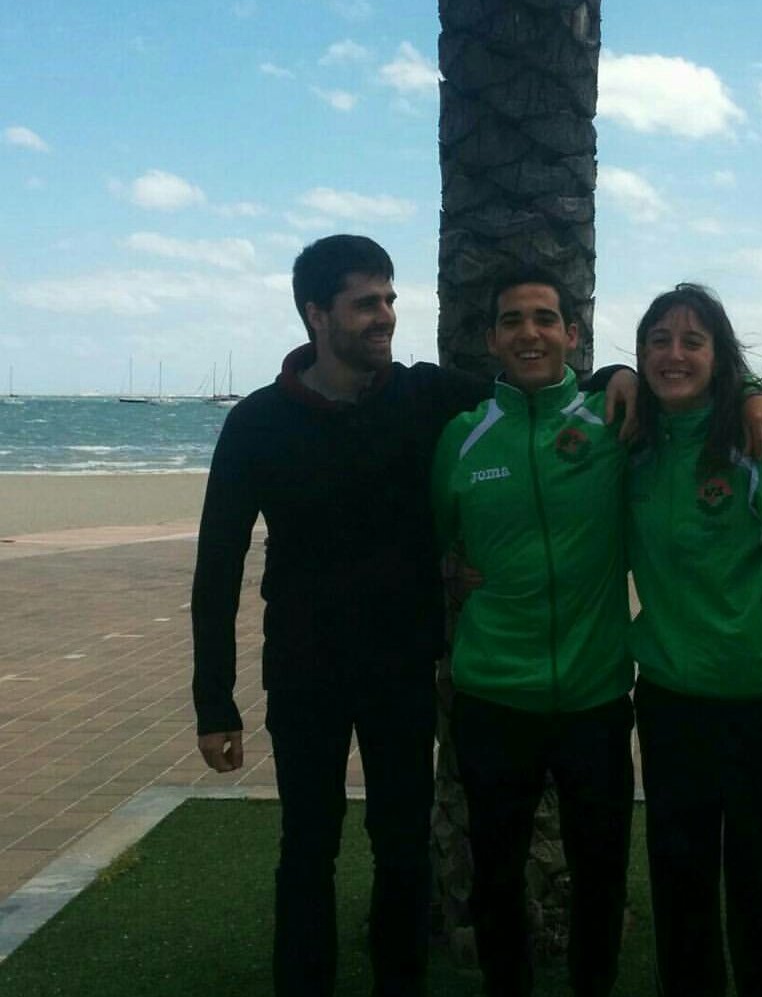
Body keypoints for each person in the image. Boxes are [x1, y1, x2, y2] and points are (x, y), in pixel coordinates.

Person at [190, 235, 637, 997]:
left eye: (390, 300)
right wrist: (214, 699)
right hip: (304, 672)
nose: (385, 317)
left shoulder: (424, 395)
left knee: (400, 850)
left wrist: (618, 373)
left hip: (402, 670)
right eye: (367, 303)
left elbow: (529, 384)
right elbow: (218, 564)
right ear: (315, 313)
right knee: (308, 846)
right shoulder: (258, 423)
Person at [430, 270, 762, 997]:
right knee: (496, 880)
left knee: (602, 878)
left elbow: (696, 407)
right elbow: (439, 540)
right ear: (492, 339)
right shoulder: (463, 439)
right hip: (492, 698)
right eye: (511, 321)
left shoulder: (616, 423)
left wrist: (760, 394)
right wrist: (446, 566)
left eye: (545, 318)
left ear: (571, 334)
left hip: (597, 698)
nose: (529, 332)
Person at [627, 283, 762, 997]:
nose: (674, 354)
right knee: (680, 895)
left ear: (720, 356)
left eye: (693, 340)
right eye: (659, 339)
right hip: (670, 707)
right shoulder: (635, 448)